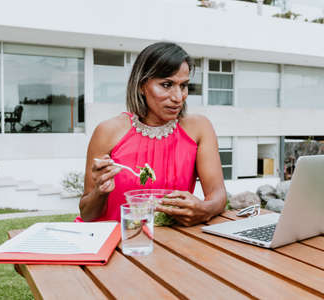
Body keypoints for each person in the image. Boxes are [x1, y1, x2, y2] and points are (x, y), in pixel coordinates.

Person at [78, 42, 226, 226]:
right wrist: (100, 192)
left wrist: (205, 209)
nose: (178, 97)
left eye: (184, 85)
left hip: (173, 244)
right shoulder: (108, 131)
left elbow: (218, 195)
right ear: (142, 86)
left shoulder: (199, 128)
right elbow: (87, 215)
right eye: (166, 84)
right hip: (118, 244)